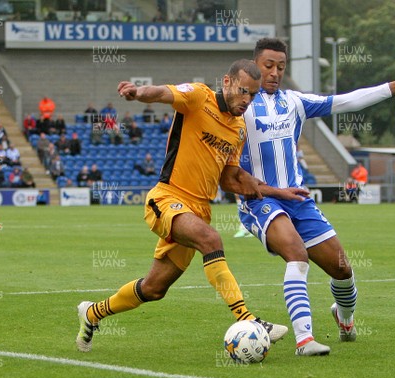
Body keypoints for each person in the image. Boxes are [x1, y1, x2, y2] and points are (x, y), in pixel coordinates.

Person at [76, 59, 307, 353]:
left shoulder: (238, 130)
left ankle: (93, 312)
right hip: (167, 198)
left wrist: (277, 192)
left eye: (253, 94)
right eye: (242, 91)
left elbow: (231, 179)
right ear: (226, 82)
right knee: (211, 239)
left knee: (154, 288)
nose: (246, 100)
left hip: (197, 211)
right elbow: (161, 93)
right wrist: (138, 92)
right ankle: (248, 319)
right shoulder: (199, 97)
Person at [238, 38, 395, 356]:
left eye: (280, 67)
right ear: (255, 65)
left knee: (342, 270)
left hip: (298, 199)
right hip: (260, 199)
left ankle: (345, 317)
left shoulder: (295, 102)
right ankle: (305, 340)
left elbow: (347, 101)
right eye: (268, 65)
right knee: (297, 254)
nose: (274, 72)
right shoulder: (238, 106)